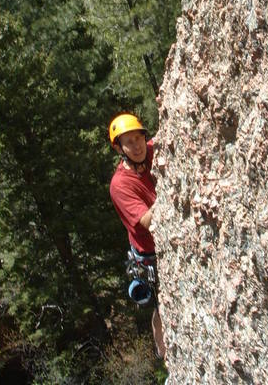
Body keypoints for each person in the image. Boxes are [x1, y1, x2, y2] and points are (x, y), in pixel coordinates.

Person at [108, 112, 165, 359]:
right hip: (150, 253)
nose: (137, 145)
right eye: (128, 142)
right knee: (163, 306)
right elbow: (146, 221)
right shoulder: (120, 185)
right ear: (119, 147)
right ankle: (166, 357)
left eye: (138, 138)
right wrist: (173, 190)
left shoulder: (151, 151)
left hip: (156, 246)